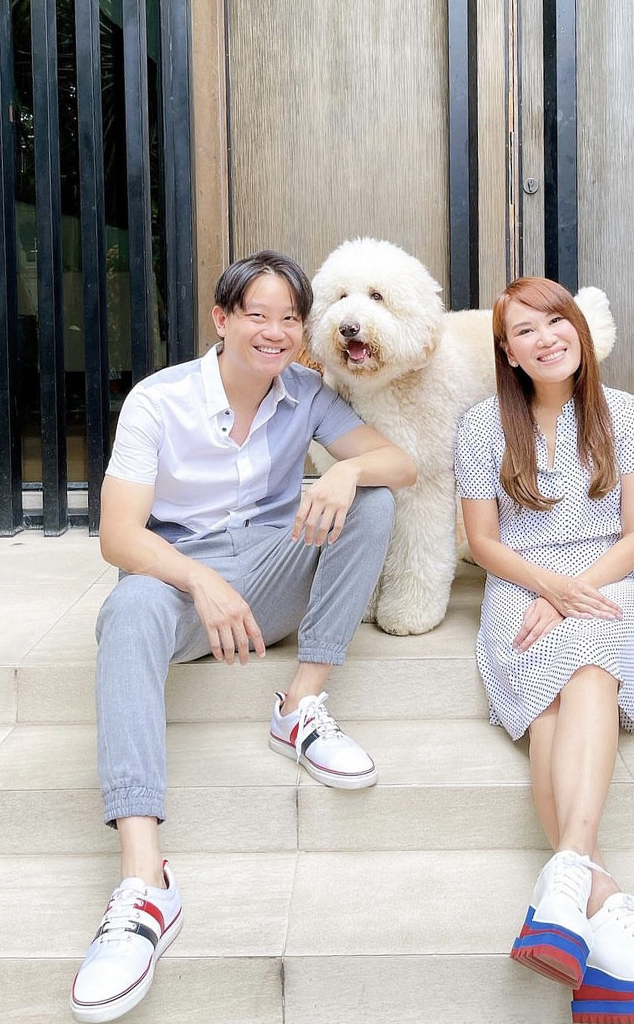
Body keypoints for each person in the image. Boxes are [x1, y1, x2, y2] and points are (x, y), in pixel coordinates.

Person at [70, 251, 416, 1023]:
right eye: (258, 314)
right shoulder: (158, 402)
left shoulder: (308, 393)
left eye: (291, 318)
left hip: (270, 574)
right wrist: (199, 579)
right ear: (222, 321)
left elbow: (402, 464)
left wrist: (342, 474)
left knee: (373, 500)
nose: (277, 332)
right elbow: (119, 536)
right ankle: (143, 884)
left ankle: (299, 705)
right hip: (181, 583)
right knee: (127, 612)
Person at [454, 277, 634, 1023]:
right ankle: (596, 896)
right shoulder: (482, 426)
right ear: (507, 352)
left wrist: (573, 591)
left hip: (608, 578)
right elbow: (481, 542)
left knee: (592, 658)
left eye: (555, 321)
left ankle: (567, 869)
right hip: (521, 585)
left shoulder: (623, 413)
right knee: (550, 702)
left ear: (578, 328)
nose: (546, 338)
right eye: (525, 331)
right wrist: (546, 587)